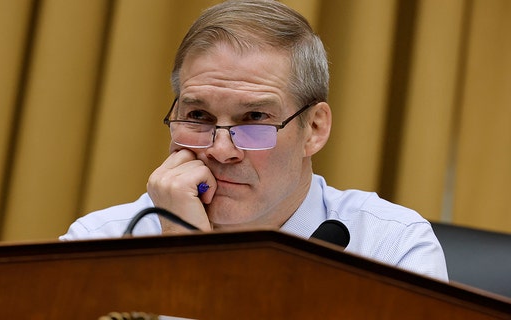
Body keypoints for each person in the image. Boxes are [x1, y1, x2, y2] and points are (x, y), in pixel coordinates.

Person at [60, 0, 448, 280]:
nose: (221, 149)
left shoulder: (390, 247)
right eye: (198, 116)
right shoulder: (101, 243)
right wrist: (182, 255)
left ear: (314, 128)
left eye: (255, 118)